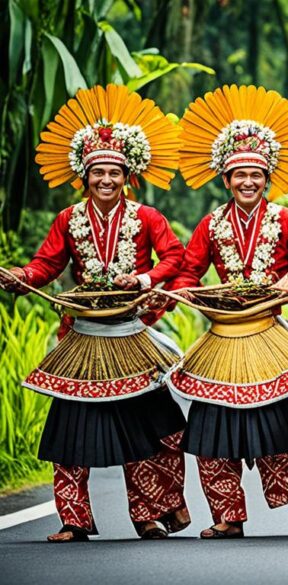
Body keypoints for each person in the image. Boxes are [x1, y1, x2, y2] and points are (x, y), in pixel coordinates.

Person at [0, 85, 189, 542]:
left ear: (128, 176)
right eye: (98, 173)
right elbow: (48, 265)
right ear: (84, 177)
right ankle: (73, 520)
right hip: (83, 336)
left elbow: (175, 257)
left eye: (114, 173)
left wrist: (144, 279)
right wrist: (21, 274)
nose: (106, 180)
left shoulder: (148, 217)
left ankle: (148, 515)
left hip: (130, 334)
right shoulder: (69, 219)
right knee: (70, 432)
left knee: (148, 427)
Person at [168, 85, 288, 539]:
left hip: (269, 332)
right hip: (222, 336)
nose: (248, 182)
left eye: (256, 174)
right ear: (225, 180)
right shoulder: (210, 224)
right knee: (212, 427)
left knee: (281, 427)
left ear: (268, 177)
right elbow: (186, 273)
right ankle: (227, 516)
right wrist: (190, 294)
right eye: (239, 175)